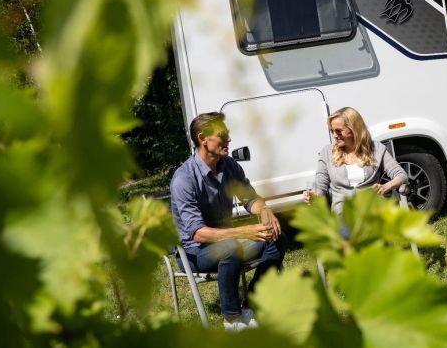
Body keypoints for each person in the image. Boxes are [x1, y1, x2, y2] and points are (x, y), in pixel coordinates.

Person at [170, 112, 286, 331]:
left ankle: (250, 305)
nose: (229, 139)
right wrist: (245, 231)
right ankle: (231, 320)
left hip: (227, 243)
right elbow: (198, 233)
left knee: (277, 238)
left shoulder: (229, 165)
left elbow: (250, 198)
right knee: (230, 248)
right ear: (203, 138)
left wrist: (265, 210)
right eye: (222, 135)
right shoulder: (184, 179)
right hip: (194, 253)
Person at [303, 107, 408, 238]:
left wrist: (386, 186)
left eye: (339, 131)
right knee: (349, 233)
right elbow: (321, 182)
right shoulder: (327, 152)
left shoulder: (376, 149)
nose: (335, 135)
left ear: (354, 129)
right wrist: (314, 194)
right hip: (343, 213)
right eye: (332, 131)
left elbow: (401, 175)